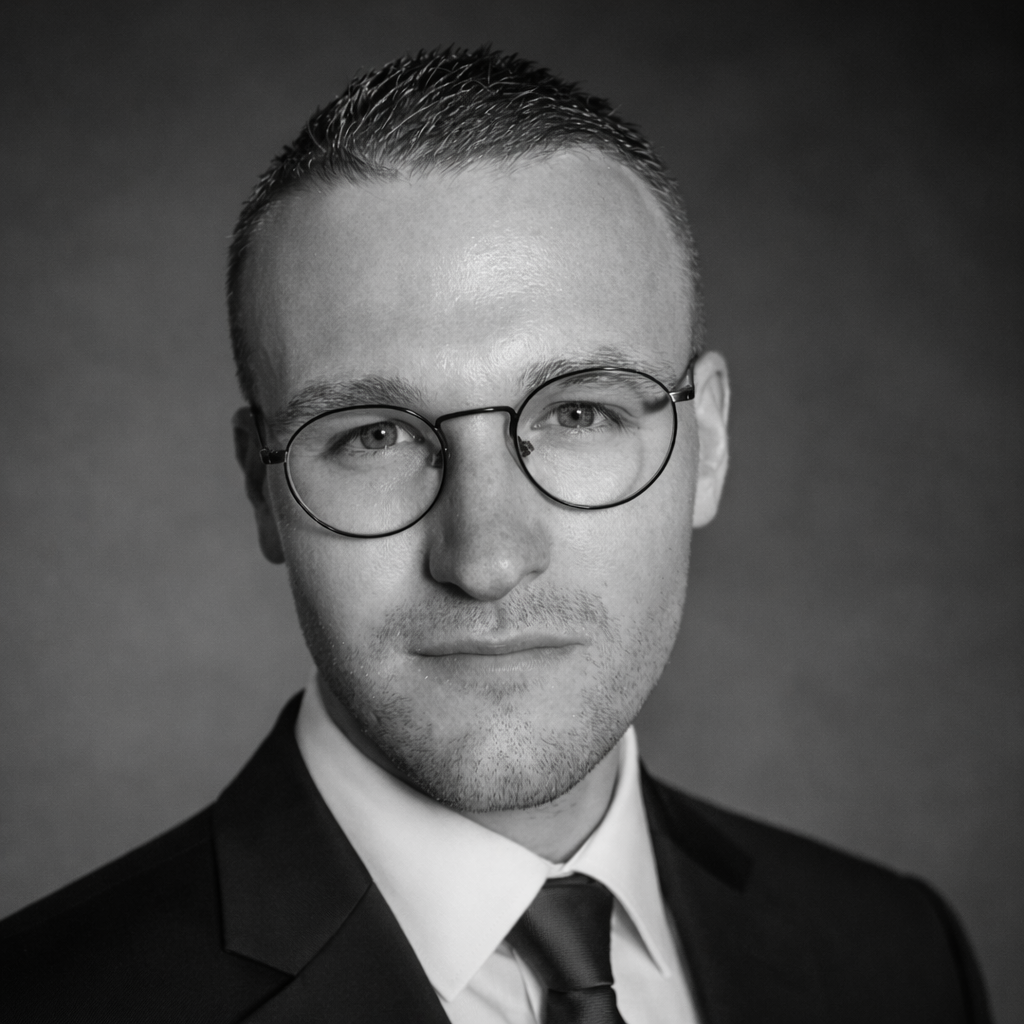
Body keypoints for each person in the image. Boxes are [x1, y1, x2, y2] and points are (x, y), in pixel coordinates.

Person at [0, 46, 993, 1024]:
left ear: (711, 444)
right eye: (375, 436)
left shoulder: (899, 955)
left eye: (579, 413)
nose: (485, 559)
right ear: (262, 489)